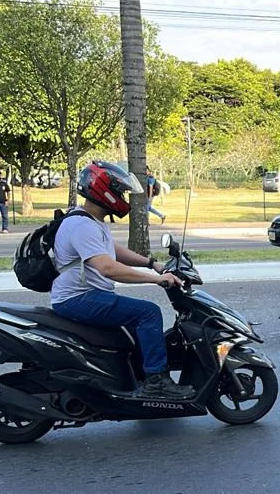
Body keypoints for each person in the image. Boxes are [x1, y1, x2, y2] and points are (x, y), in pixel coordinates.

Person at [50, 161, 192, 400]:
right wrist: (156, 280)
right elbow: (108, 268)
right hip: (77, 299)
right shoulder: (82, 225)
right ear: (103, 191)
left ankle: (137, 376)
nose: (123, 197)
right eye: (119, 192)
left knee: (134, 325)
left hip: (86, 295)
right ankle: (157, 381)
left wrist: (152, 264)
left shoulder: (89, 219)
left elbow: (113, 251)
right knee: (148, 313)